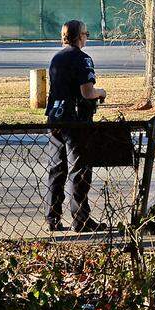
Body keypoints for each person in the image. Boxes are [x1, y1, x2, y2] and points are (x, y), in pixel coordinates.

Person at [45, 20, 108, 233]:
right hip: (76, 120)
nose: (86, 36)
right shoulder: (83, 59)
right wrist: (101, 93)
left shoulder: (56, 58)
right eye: (86, 33)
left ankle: (53, 218)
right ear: (80, 36)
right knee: (79, 170)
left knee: (57, 169)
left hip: (55, 117)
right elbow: (87, 92)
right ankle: (80, 218)